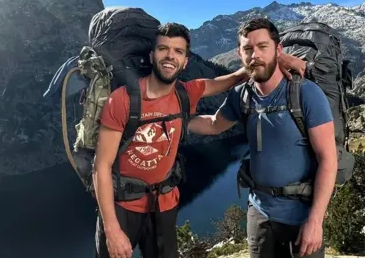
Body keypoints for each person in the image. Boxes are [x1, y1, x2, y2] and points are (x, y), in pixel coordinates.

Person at [92, 22, 307, 258]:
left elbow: (232, 78)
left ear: (185, 62)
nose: (170, 56)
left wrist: (277, 60)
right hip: (123, 205)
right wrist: (112, 230)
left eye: (178, 51)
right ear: (152, 55)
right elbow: (100, 166)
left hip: (164, 204)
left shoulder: (185, 93)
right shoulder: (122, 100)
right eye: (164, 49)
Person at [187, 17, 338, 258]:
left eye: (262, 46)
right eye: (248, 49)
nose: (255, 54)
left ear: (278, 50)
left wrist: (315, 221)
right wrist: (174, 119)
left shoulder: (306, 94)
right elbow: (215, 125)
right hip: (259, 213)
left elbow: (328, 159)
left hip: (300, 216)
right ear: (240, 53)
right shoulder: (242, 95)